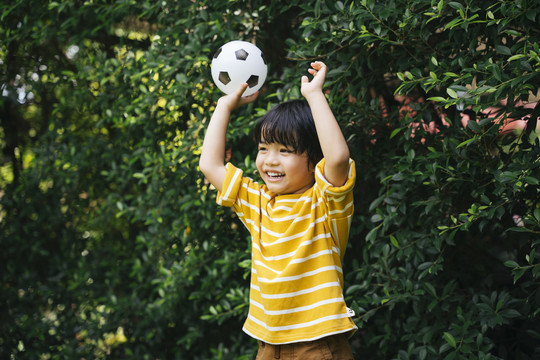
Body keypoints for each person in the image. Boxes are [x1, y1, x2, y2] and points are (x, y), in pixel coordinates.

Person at [199, 61, 357, 359]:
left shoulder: (324, 203)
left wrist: (314, 95)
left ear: (314, 160)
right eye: (263, 148)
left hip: (318, 344)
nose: (270, 160)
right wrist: (224, 105)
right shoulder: (257, 203)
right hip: (268, 345)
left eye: (285, 151)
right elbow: (209, 164)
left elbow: (337, 157)